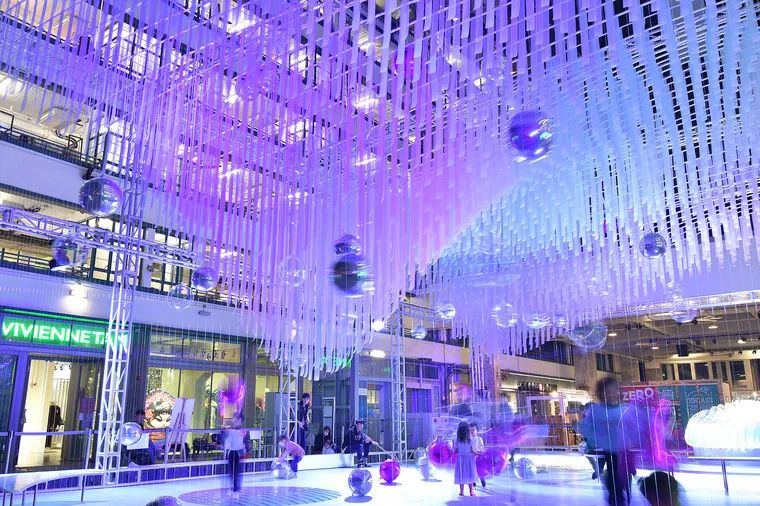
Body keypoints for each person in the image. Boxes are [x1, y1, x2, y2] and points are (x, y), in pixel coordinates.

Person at [579, 377, 635, 506]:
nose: (610, 394)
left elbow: (634, 427)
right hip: (610, 450)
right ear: (601, 393)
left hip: (622, 450)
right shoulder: (597, 411)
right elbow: (589, 428)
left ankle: (619, 495)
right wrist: (580, 426)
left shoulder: (625, 409)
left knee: (619, 479)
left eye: (613, 391)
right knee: (614, 480)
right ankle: (617, 497)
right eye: (607, 392)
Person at [579, 403, 606, 480]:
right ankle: (598, 469)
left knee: (587, 451)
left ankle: (598, 470)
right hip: (603, 445)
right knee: (600, 453)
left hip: (595, 445)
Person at [223, 414, 247, 499]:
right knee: (231, 472)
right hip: (231, 452)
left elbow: (244, 442)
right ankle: (232, 489)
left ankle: (236, 490)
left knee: (237, 472)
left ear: (241, 421)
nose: (235, 421)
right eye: (234, 419)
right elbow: (227, 441)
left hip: (239, 453)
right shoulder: (229, 430)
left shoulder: (242, 431)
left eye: (237, 419)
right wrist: (226, 452)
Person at [453, 421, 478, 497]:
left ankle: (461, 491)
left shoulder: (457, 440)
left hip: (461, 459)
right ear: (467, 430)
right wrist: (477, 454)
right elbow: (472, 451)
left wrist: (452, 452)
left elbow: (456, 450)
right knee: (470, 474)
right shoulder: (470, 439)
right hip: (469, 459)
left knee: (461, 475)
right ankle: (471, 492)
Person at [469, 422, 486, 488]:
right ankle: (474, 483)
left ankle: (483, 481)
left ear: (476, 430)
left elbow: (482, 447)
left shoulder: (479, 438)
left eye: (473, 430)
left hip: (478, 456)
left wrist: (480, 452)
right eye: (470, 430)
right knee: (472, 470)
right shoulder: (468, 439)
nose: (472, 432)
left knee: (480, 469)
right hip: (471, 456)